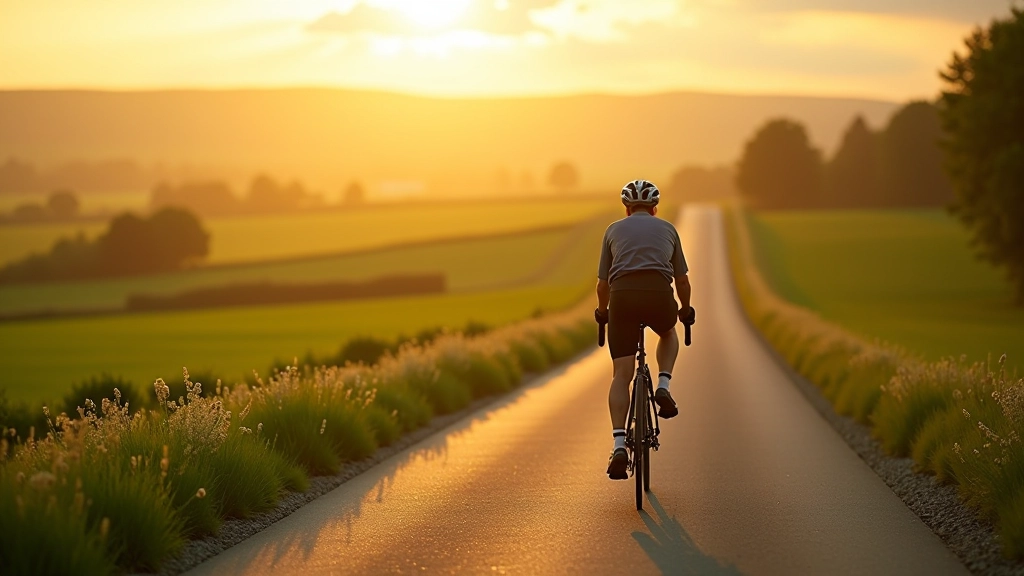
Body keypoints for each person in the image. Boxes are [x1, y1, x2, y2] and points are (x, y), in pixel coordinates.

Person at [595, 179, 694, 480]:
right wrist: (685, 309)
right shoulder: (668, 229)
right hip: (658, 295)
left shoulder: (612, 230)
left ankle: (619, 445)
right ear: (654, 209)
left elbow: (602, 285)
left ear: (626, 209)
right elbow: (682, 281)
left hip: (622, 298)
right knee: (668, 332)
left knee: (621, 375)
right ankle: (663, 385)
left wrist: (603, 312)